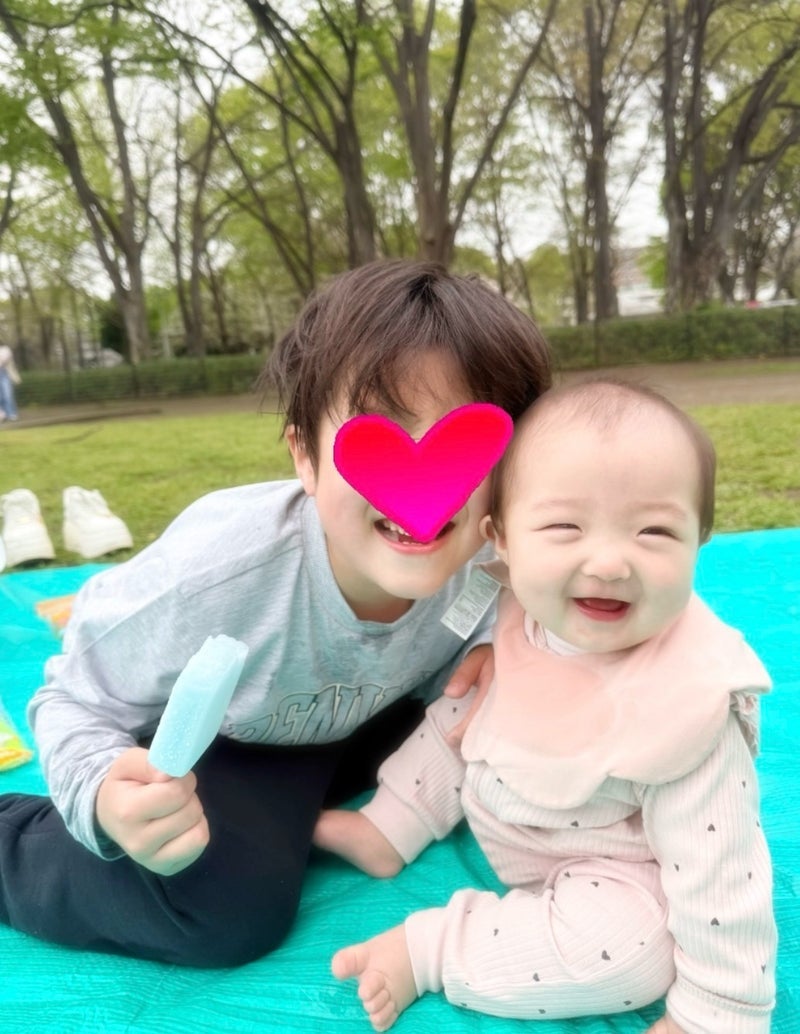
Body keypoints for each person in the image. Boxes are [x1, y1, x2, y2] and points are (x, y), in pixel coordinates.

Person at [0, 259, 551, 967]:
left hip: (358, 717)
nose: (427, 487)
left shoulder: (499, 548)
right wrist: (104, 793)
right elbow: (73, 696)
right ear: (305, 457)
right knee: (227, 908)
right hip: (234, 740)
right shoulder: (216, 579)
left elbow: (531, 612)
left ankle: (305, 812)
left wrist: (502, 643)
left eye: (468, 447)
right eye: (381, 437)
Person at [315, 379, 777, 1034]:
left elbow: (722, 873)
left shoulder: (687, 703)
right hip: (503, 788)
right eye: (565, 527)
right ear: (500, 540)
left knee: (634, 954)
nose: (609, 563)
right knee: (463, 700)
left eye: (654, 531)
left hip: (611, 868)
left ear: (700, 540)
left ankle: (429, 950)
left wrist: (719, 1009)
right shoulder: (519, 606)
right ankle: (390, 823)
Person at [0, 341, 21, 422]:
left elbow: (4, 360)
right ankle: (2, 415)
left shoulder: (5, 349)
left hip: (5, 374)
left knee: (8, 395)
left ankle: (12, 413)